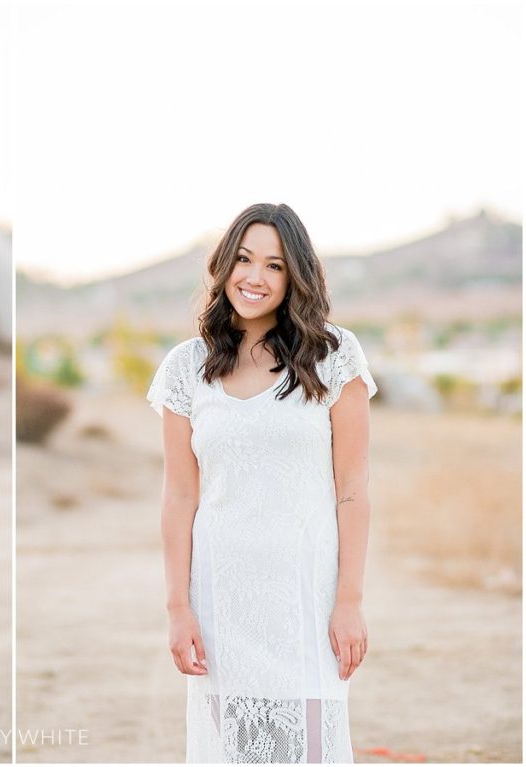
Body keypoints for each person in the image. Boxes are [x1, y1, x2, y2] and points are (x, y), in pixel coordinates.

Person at [146, 203, 376, 763]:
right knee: (239, 752)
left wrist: (348, 601)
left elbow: (352, 490)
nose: (254, 277)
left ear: (295, 275)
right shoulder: (187, 366)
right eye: (244, 260)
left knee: (312, 750)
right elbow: (180, 497)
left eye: (274, 266)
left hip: (306, 595)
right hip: (222, 597)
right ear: (224, 265)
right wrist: (179, 607)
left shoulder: (333, 356)